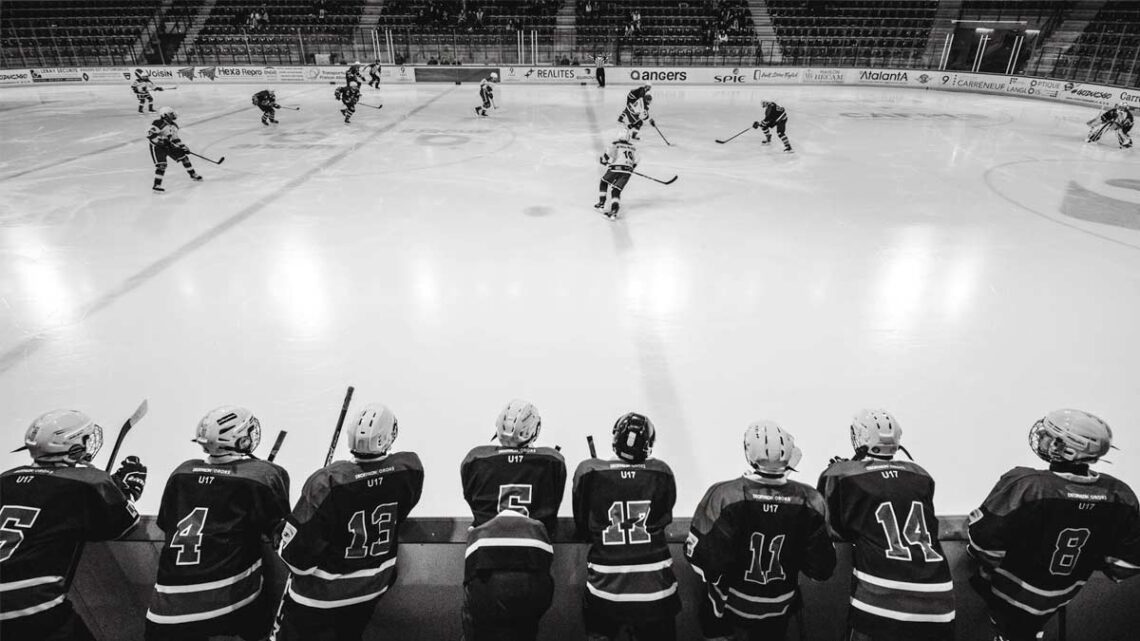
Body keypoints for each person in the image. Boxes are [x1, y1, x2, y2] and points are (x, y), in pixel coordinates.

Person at [968, 409, 1140, 641]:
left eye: (1051, 436)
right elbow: (1125, 565)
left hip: (1011, 591)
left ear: (1069, 449)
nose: (1042, 438)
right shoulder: (1120, 493)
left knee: (1011, 625)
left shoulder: (1027, 484)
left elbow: (984, 545)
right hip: (1062, 594)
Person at [276, 403, 424, 641]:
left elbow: (299, 563)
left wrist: (281, 536)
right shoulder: (409, 469)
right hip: (371, 589)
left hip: (319, 599)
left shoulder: (326, 482)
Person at [144, 406, 290, 641]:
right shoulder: (262, 475)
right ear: (242, 439)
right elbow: (279, 530)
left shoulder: (182, 472)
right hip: (231, 600)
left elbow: (165, 522)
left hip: (167, 607)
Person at [0, 410, 145, 641]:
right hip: (29, 604)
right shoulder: (86, 481)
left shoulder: (5, 478)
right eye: (86, 439)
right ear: (73, 446)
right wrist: (127, 490)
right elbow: (126, 525)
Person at [686, 421, 836, 641]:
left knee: (711, 607)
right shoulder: (810, 499)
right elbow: (821, 570)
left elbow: (702, 560)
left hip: (731, 604)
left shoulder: (725, 494)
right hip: (779, 606)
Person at [817, 409, 955, 641]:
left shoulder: (842, 474)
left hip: (881, 597)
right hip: (939, 597)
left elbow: (835, 526)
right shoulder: (920, 473)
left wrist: (847, 467)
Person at [572, 412, 680, 641]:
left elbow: (582, 526)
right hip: (657, 590)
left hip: (606, 589)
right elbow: (664, 515)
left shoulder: (588, 471)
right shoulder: (661, 472)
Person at [460, 399, 566, 534]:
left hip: (485, 544)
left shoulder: (477, 459)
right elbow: (553, 503)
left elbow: (471, 498)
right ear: (535, 428)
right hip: (534, 544)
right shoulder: (551, 460)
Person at [462, 507, 554, 641]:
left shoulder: (478, 532)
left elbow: (469, 585)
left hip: (487, 591)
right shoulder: (539, 528)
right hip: (529, 592)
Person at [147, 107, 202, 192]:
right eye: (171, 114)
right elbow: (151, 136)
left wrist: (182, 146)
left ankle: (193, 175)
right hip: (157, 148)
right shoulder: (158, 123)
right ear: (165, 115)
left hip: (168, 146)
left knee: (184, 158)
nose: (173, 115)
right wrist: (162, 140)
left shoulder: (174, 125)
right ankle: (157, 185)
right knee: (162, 166)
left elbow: (175, 138)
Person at [596, 128, 639, 219]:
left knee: (604, 182)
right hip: (627, 171)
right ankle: (614, 211)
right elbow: (638, 159)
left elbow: (608, 152)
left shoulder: (616, 144)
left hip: (615, 168)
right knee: (616, 190)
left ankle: (601, 204)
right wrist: (632, 167)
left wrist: (604, 161)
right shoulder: (632, 147)